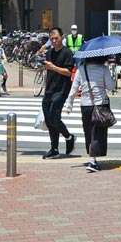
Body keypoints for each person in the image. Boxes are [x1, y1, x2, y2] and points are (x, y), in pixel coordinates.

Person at [64, 55, 114, 173]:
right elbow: (110, 87)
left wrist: (69, 105)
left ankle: (92, 157)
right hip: (101, 104)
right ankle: (93, 160)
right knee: (98, 132)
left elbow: (74, 89)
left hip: (85, 105)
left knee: (88, 131)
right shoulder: (104, 69)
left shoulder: (81, 69)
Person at [41, 27, 76, 159]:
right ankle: (54, 148)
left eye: (56, 38)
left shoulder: (67, 53)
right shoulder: (49, 52)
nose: (54, 41)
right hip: (49, 89)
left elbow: (68, 72)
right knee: (48, 119)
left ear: (62, 37)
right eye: (52, 39)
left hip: (62, 89)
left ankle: (69, 136)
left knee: (54, 116)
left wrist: (53, 67)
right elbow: (48, 72)